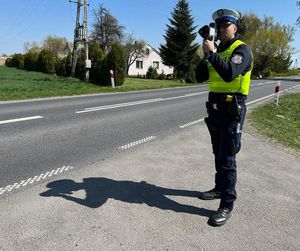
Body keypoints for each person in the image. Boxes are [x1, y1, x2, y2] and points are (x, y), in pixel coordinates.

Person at [195, 8, 253, 226]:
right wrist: (206, 56)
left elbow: (230, 73)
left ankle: (227, 204)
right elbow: (198, 77)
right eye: (217, 26)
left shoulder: (242, 50)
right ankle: (220, 188)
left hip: (232, 111)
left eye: (224, 25)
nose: (220, 29)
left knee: (228, 159)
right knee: (217, 153)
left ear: (234, 28)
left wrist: (212, 54)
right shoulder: (216, 51)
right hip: (216, 111)